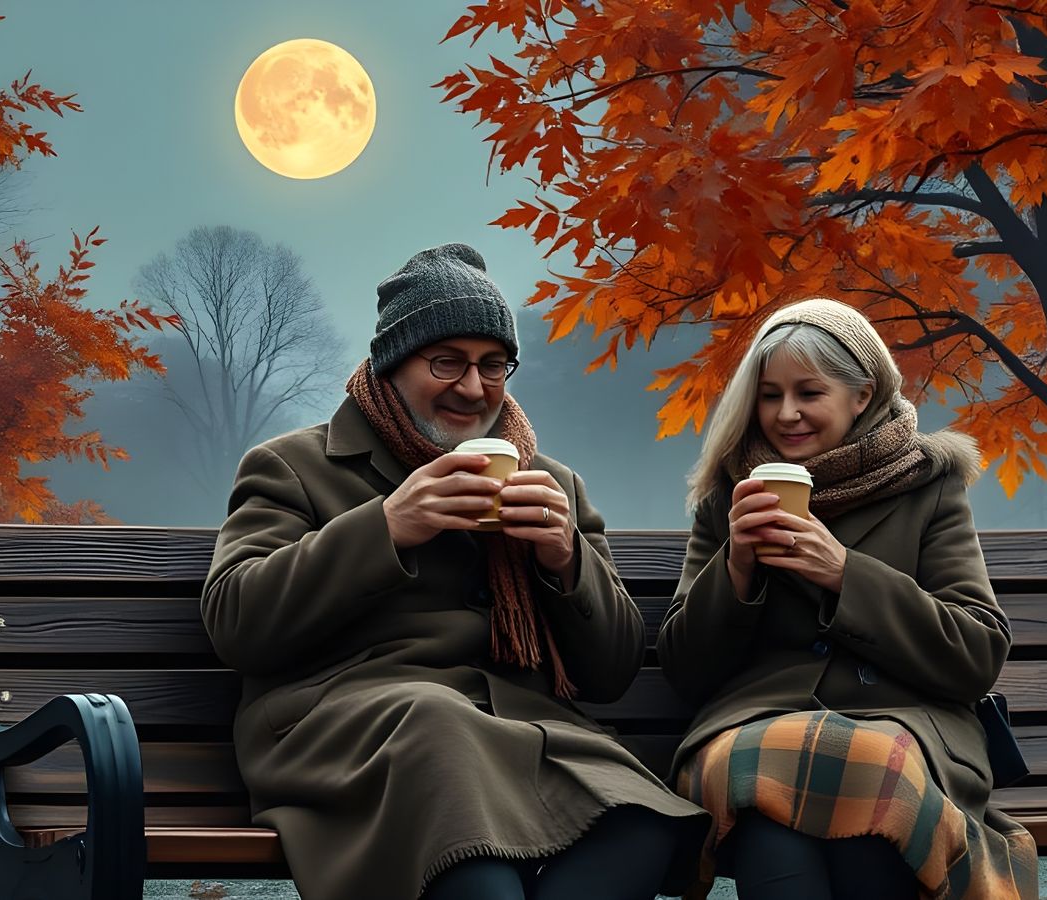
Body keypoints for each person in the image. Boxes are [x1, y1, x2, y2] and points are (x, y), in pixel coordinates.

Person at [202, 243, 705, 900]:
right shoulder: (295, 465)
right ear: (390, 363)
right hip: (353, 736)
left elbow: (609, 673)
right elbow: (238, 623)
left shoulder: (549, 484)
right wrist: (386, 527)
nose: (473, 388)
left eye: (493, 365)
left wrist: (564, 560)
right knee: (471, 850)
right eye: (447, 362)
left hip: (517, 734)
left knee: (640, 825)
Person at [658, 297, 1038, 899]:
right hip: (755, 728)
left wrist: (844, 573)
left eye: (809, 393)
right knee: (772, 822)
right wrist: (735, 567)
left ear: (861, 395)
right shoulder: (731, 493)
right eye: (769, 394)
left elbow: (976, 654)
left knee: (870, 802)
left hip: (904, 728)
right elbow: (685, 669)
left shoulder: (926, 485)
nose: (786, 414)